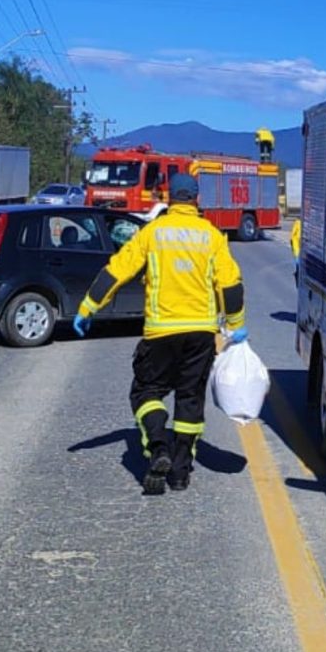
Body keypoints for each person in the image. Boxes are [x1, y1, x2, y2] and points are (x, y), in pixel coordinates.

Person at [71, 174, 246, 495]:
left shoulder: (152, 233)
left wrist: (88, 307)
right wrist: (236, 325)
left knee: (146, 393)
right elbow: (230, 284)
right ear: (196, 199)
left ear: (169, 197)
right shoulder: (211, 236)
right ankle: (180, 473)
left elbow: (117, 270)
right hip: (200, 333)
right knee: (189, 399)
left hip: (160, 331)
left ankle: (157, 444)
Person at [290, 217, 301, 284]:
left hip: (297, 247)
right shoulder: (299, 223)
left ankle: (298, 273)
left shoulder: (297, 223)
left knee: (298, 261)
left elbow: (292, 235)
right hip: (298, 247)